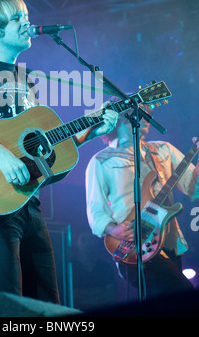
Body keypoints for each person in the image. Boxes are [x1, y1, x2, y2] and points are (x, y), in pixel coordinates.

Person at [0, 0, 118, 303]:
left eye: (25, 15)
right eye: (17, 17)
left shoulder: (28, 80)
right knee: (7, 303)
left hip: (28, 205)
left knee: (47, 304)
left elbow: (41, 152)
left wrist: (89, 131)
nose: (27, 22)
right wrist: (2, 155)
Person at [85, 102, 199, 299]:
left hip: (168, 241)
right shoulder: (101, 161)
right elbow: (96, 211)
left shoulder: (163, 150)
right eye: (138, 111)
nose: (146, 115)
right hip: (133, 247)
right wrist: (114, 229)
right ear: (118, 118)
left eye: (147, 111)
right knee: (183, 294)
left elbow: (193, 188)